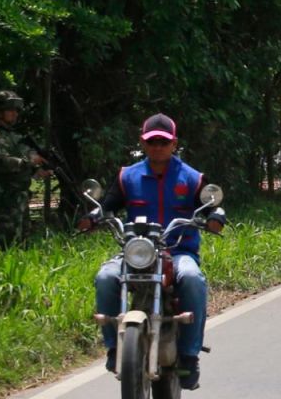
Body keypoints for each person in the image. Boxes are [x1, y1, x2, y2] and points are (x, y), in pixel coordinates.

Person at [91, 114, 219, 389]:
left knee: (193, 280)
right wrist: (94, 215)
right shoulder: (128, 176)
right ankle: (114, 349)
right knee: (105, 277)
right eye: (152, 142)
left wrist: (215, 216)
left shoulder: (192, 178)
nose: (157, 147)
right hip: (136, 252)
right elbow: (109, 204)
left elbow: (211, 207)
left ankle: (189, 356)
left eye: (163, 142)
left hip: (178, 252)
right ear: (143, 143)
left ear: (174, 143)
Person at [0, 90, 50, 245]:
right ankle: (2, 268)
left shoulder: (14, 136)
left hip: (18, 194)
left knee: (22, 240)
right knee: (8, 241)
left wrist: (37, 171)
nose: (15, 114)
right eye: (10, 110)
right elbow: (1, 162)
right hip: (4, 194)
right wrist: (29, 163)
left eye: (16, 110)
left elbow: (22, 164)